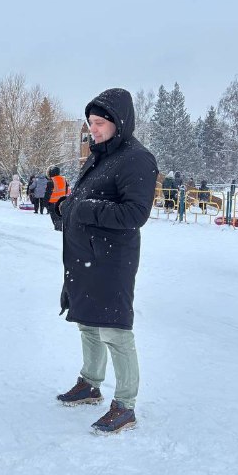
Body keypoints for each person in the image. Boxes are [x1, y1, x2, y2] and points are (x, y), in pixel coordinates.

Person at [54, 88, 158, 434]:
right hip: (85, 257)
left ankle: (125, 405)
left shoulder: (136, 158)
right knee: (87, 323)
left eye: (99, 123)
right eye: (90, 123)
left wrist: (79, 208)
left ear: (119, 121)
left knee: (114, 330)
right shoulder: (100, 155)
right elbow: (88, 198)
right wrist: (65, 208)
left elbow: (135, 212)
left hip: (112, 260)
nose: (93, 130)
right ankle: (90, 383)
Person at [45, 166, 68, 231]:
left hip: (53, 203)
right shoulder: (64, 180)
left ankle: (58, 230)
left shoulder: (51, 181)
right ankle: (61, 229)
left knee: (55, 219)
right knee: (60, 217)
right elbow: (66, 191)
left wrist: (46, 204)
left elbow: (47, 194)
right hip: (62, 202)